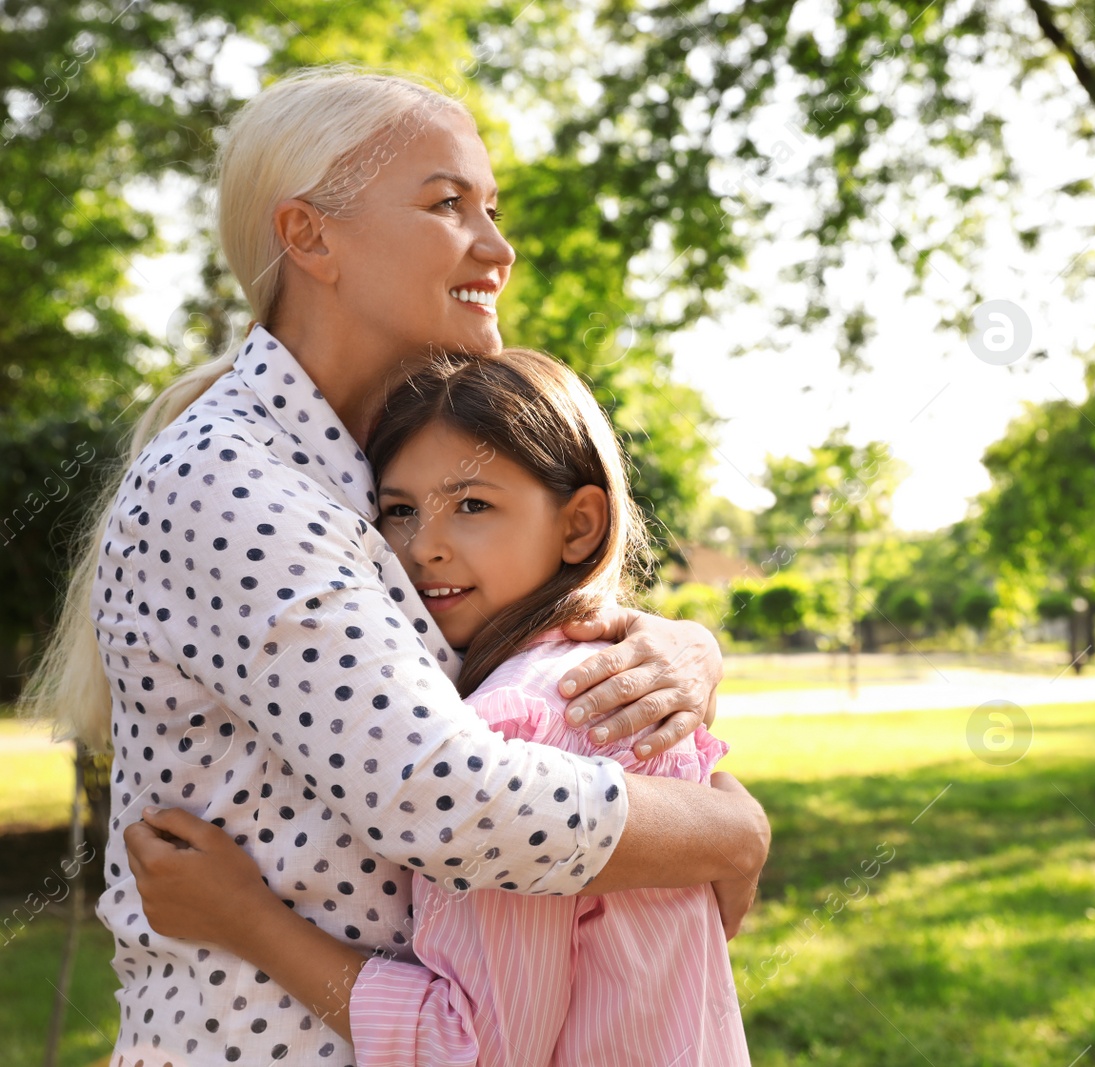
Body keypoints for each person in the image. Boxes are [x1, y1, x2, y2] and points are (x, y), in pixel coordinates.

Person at [20, 68, 767, 1066]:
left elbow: (510, 650)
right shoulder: (234, 484)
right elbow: (450, 797)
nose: (496, 249)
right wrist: (733, 831)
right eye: (447, 204)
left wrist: (678, 642)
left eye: (491, 209)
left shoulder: (368, 470)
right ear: (310, 235)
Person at [130, 348, 750, 1066]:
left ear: (579, 525)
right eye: (400, 510)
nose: (424, 546)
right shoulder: (637, 687)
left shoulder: (526, 723)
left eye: (473, 504)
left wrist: (245, 920)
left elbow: (476, 1048)